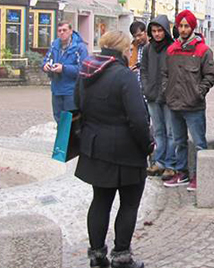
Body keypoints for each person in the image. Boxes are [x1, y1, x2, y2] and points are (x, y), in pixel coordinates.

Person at [74, 31, 152, 268]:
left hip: (96, 147)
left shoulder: (86, 71)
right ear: (121, 50)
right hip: (126, 150)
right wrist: (147, 145)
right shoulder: (123, 76)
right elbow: (138, 119)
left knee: (100, 201)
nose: (131, 52)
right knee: (129, 204)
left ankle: (97, 256)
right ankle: (121, 257)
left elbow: (77, 105)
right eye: (129, 48)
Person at [162, 10, 214, 192]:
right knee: (179, 141)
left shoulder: (203, 50)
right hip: (174, 104)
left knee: (199, 142)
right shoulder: (171, 50)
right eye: (181, 26)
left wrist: (198, 93)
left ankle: (198, 176)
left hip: (193, 105)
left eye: (187, 26)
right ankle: (182, 173)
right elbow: (164, 74)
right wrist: (166, 91)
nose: (183, 29)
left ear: (192, 27)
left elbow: (210, 76)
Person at [140, 15, 174, 178]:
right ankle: (159, 162)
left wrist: (166, 91)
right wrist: (146, 88)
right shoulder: (148, 49)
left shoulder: (172, 48)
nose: (157, 34)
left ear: (165, 31)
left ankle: (170, 164)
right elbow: (144, 70)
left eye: (160, 30)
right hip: (152, 95)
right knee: (158, 131)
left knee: (171, 132)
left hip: (168, 97)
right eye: (153, 31)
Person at [43, 22, 89, 123]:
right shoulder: (55, 45)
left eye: (64, 30)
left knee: (71, 120)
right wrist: (45, 66)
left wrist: (64, 68)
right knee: (58, 119)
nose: (62, 33)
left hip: (71, 90)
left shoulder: (80, 47)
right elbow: (46, 59)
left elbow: (84, 69)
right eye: (59, 31)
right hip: (56, 89)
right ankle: (62, 138)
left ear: (71, 31)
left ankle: (71, 139)